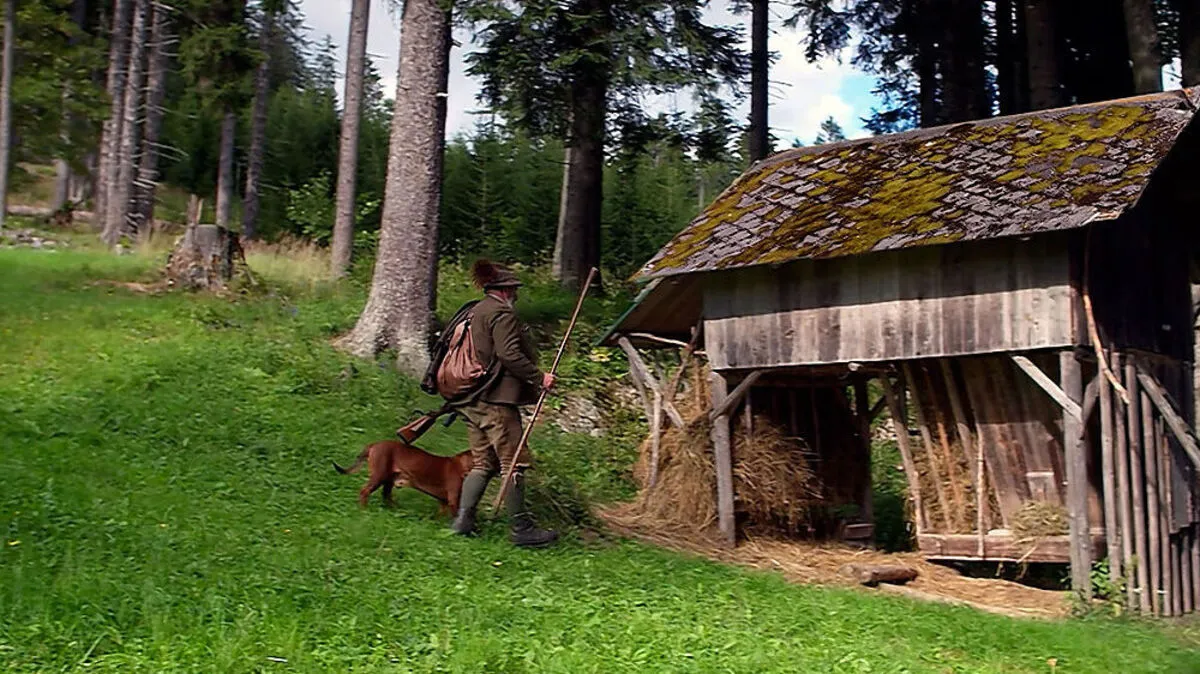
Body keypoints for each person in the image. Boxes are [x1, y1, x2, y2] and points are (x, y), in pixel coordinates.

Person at [450, 260, 558, 548]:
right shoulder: (501, 314)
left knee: (483, 463)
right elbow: (509, 354)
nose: (517, 294)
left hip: (473, 398)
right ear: (506, 289)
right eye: (514, 288)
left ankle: (463, 522)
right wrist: (539, 377)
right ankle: (521, 529)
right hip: (497, 400)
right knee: (514, 463)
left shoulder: (475, 311)